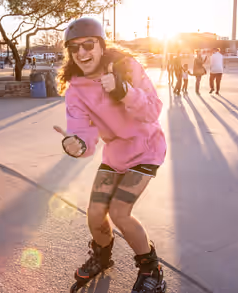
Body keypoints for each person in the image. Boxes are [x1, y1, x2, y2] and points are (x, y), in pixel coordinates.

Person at [55, 17, 167, 293]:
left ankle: (152, 270)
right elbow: (84, 135)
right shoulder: (75, 90)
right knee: (94, 213)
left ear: (102, 45)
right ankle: (102, 257)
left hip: (146, 147)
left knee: (119, 212)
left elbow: (153, 110)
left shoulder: (126, 67)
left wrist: (124, 91)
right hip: (115, 153)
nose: (82, 53)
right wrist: (78, 145)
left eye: (88, 45)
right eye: (74, 48)